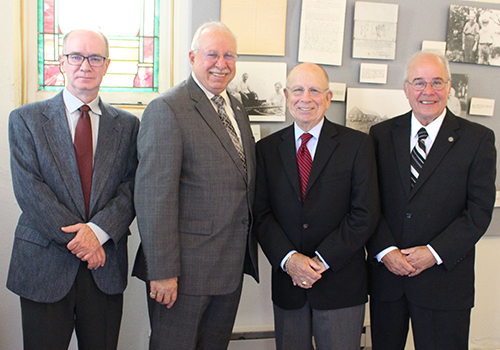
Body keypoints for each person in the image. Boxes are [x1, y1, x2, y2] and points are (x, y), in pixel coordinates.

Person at [7, 29, 139, 350]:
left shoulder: (129, 125)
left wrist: (98, 232)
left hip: (104, 267)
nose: (85, 65)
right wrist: (84, 241)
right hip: (44, 266)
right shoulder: (26, 120)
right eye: (76, 57)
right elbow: (30, 191)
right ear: (62, 62)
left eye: (95, 58)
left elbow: (131, 188)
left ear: (106, 65)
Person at [132, 21, 259, 350]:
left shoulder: (237, 107)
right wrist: (161, 271)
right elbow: (153, 198)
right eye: (212, 54)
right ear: (192, 57)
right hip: (182, 273)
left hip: (227, 267)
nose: (221, 63)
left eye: (229, 55)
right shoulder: (168, 109)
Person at [367, 51, 496, 350]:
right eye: (419, 82)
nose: (428, 91)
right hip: (389, 279)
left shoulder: (477, 140)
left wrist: (434, 252)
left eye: (437, 82)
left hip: (444, 282)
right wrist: (385, 250)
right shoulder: (380, 135)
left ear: (449, 87)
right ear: (406, 89)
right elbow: (368, 203)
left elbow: (478, 211)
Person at [253, 63, 380, 350]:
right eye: (298, 90)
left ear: (328, 96)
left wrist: (319, 261)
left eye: (314, 90)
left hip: (340, 283)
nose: (305, 98)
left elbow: (365, 213)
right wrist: (291, 260)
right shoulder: (267, 149)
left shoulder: (357, 145)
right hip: (289, 284)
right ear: (286, 95)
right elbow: (261, 214)